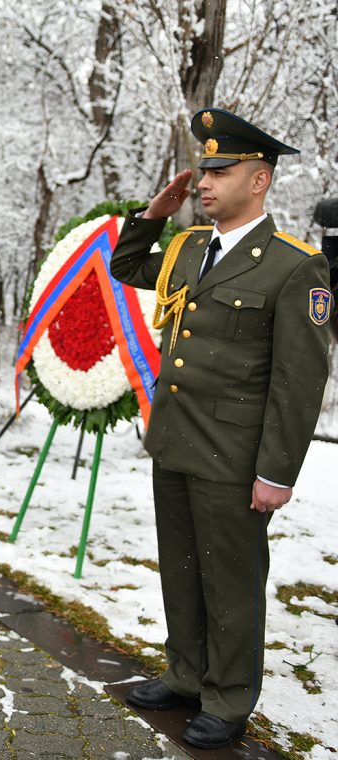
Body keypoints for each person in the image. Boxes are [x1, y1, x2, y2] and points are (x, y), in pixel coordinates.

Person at [110, 109, 331, 749]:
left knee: (230, 578)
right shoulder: (185, 249)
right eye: (203, 171)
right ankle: (186, 675)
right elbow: (127, 266)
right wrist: (153, 214)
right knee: (180, 570)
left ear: (258, 180)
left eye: (220, 171)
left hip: (235, 455)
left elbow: (298, 380)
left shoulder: (293, 267)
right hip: (177, 439)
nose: (204, 182)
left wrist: (275, 472)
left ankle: (229, 697)